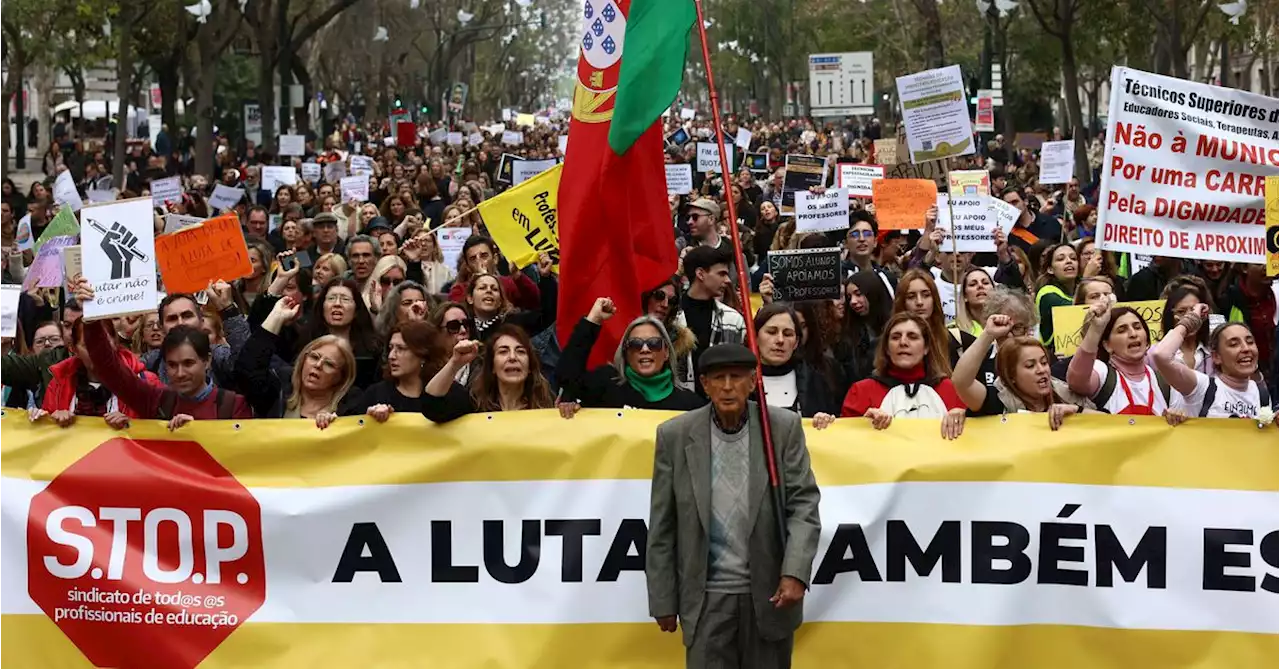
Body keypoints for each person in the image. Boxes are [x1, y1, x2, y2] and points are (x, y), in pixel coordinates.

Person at [646, 342, 821, 669]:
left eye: (737, 377)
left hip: (770, 596)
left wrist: (795, 571)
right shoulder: (675, 435)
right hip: (704, 599)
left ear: (754, 382)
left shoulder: (781, 429)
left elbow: (804, 507)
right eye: (719, 377)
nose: (728, 386)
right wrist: (663, 598)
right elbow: (662, 524)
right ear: (704, 383)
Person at [74, 279, 253, 428]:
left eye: (188, 363)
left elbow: (241, 459)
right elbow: (109, 369)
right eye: (172, 365)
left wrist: (198, 432)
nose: (180, 373)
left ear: (206, 361)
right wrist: (91, 317)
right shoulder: (155, 400)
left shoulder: (233, 406)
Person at [556, 297, 704, 412]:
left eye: (653, 343)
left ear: (666, 353)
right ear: (626, 353)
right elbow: (566, 376)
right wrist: (593, 320)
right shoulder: (604, 384)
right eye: (635, 344)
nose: (645, 349)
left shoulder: (690, 405)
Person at [839, 313, 968, 439]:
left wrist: (965, 417)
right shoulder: (861, 392)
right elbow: (842, 442)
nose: (903, 342)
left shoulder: (952, 390)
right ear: (887, 349)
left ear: (926, 347)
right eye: (895, 337)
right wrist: (862, 424)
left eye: (912, 337)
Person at [236, 296, 359, 426]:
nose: (318, 365)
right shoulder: (279, 390)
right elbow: (247, 368)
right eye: (314, 357)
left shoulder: (352, 407)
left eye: (329, 364)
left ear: (341, 376)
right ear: (303, 359)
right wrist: (276, 317)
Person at [953, 314, 1094, 428]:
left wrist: (1077, 411)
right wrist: (988, 334)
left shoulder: (1066, 394)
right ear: (1011, 375)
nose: (1041, 370)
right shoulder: (998, 401)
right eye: (1030, 366)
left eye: (1044, 363)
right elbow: (961, 382)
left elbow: (1109, 423)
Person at [1155, 305, 1276, 424]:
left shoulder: (1261, 394)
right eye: (1234, 344)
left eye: (1250, 342)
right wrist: (1190, 321)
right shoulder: (1202, 387)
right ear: (1216, 357)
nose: (1246, 349)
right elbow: (1161, 355)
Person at [422, 324, 555, 422]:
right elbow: (431, 405)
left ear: (530, 366)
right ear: (492, 367)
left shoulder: (549, 408)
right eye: (503, 351)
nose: (513, 357)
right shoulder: (473, 403)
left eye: (520, 351)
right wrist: (454, 363)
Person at [1067, 299, 1174, 416]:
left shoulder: (1164, 382)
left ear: (1147, 340)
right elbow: (1076, 382)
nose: (1133, 334)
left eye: (1137, 327)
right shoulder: (1102, 373)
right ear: (1107, 345)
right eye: (1122, 330)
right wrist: (1096, 330)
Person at [673, 245, 746, 395]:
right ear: (700, 274)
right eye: (721, 274)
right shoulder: (671, 317)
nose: (727, 280)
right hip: (679, 405)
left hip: (719, 402)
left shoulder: (733, 320)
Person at [349, 321, 443, 420]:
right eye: (391, 348)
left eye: (401, 348)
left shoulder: (442, 394)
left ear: (423, 354)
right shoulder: (375, 394)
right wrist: (369, 419)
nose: (391, 356)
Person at [1033, 243, 1078, 351]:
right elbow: (1078, 310)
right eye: (1060, 259)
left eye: (1073, 258)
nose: (1068, 261)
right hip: (1055, 359)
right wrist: (1088, 277)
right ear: (1050, 269)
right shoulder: (1047, 293)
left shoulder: (1081, 288)